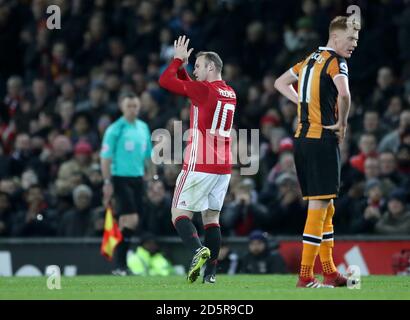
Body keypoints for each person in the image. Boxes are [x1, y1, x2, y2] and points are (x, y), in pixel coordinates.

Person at [274, 16, 360, 288]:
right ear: (336, 37)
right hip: (322, 139)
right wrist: (343, 123)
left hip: (302, 140)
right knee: (318, 206)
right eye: (351, 38)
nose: (354, 44)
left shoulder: (309, 60)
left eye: (356, 39)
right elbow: (344, 95)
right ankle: (306, 276)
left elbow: (280, 83)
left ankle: (331, 272)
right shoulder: (336, 62)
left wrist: (300, 101)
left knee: (327, 206)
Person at [159, 35, 237, 284]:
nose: (195, 70)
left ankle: (196, 251)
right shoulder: (229, 92)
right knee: (212, 219)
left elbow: (165, 81)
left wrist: (177, 60)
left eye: (199, 66)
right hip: (223, 167)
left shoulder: (204, 90)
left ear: (211, 67)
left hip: (199, 163)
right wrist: (183, 69)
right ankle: (211, 274)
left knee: (178, 213)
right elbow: (191, 88)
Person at [100, 92, 153, 275]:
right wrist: (107, 182)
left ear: (139, 107)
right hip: (120, 178)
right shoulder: (115, 129)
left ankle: (120, 266)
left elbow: (148, 155)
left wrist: (151, 176)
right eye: (129, 106)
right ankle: (120, 264)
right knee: (131, 220)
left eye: (135, 106)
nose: (132, 109)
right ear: (122, 107)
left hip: (138, 178)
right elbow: (105, 158)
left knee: (127, 222)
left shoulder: (143, 127)